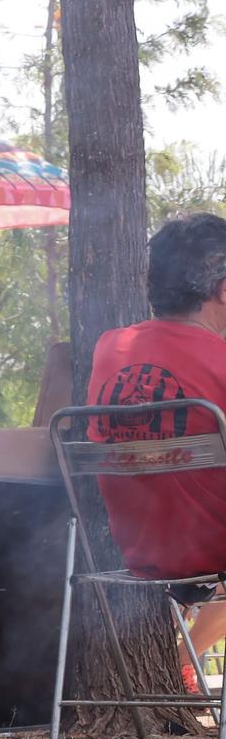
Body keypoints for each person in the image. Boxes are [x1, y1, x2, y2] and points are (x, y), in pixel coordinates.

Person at [87, 212, 226, 670]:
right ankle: (186, 658)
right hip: (211, 550)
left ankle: (182, 659)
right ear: (222, 290)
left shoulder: (110, 347)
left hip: (136, 550)